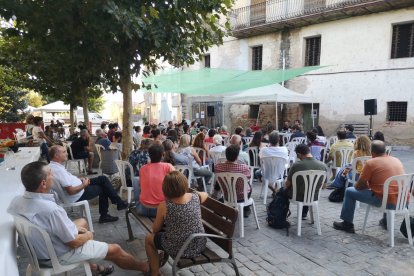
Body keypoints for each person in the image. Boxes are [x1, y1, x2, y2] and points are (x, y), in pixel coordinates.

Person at [7, 161, 149, 274]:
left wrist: (79, 230)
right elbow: (73, 243)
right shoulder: (51, 210)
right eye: (50, 175)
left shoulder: (17, 201)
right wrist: (88, 235)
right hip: (58, 255)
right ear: (43, 183)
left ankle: (93, 266)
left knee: (82, 221)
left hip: (42, 249)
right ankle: (145, 268)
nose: (53, 177)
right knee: (115, 249)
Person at [333, 140, 404, 233]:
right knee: (389, 190)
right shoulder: (396, 160)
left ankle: (347, 224)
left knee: (349, 191)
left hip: (384, 201)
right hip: (401, 201)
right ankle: (386, 221)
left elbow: (358, 186)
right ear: (385, 150)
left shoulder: (371, 163)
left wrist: (364, 184)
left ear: (372, 152)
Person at [145, 171, 207, 276]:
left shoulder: (164, 205)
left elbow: (155, 229)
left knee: (149, 239)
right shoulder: (195, 198)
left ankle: (155, 273)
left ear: (165, 189)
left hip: (176, 248)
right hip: (198, 244)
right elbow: (206, 194)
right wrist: (193, 193)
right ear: (185, 185)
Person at [49, 145, 127, 223]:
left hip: (79, 186)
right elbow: (71, 191)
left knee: (103, 179)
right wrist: (84, 185)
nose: (67, 153)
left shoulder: (52, 166)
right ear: (56, 155)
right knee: (104, 188)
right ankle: (108, 212)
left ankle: (118, 203)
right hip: (77, 194)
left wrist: (79, 179)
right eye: (64, 152)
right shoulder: (59, 171)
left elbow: (66, 180)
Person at [281, 144, 327, 219]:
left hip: (297, 196)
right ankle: (304, 213)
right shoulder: (323, 165)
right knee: (308, 188)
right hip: (314, 196)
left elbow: (287, 184)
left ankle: (281, 216)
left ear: (299, 154)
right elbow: (324, 186)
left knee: (282, 191)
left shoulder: (296, 165)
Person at [134, 144, 175, 217]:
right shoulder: (168, 167)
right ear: (163, 154)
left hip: (142, 209)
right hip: (162, 210)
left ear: (149, 155)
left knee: (135, 179)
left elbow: (140, 187)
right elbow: (177, 185)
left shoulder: (143, 168)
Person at [213, 145, 252, 217]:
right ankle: (246, 208)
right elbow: (249, 178)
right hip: (242, 197)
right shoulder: (244, 168)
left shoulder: (217, 167)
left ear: (226, 155)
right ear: (237, 156)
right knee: (249, 185)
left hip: (227, 196)